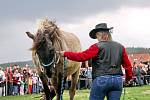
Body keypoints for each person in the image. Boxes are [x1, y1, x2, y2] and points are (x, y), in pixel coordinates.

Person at [57, 23, 133, 100]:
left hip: (101, 79)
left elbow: (82, 57)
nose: (97, 38)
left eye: (97, 35)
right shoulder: (120, 47)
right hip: (117, 81)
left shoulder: (96, 47)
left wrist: (65, 53)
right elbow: (128, 66)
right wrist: (128, 79)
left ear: (103, 35)